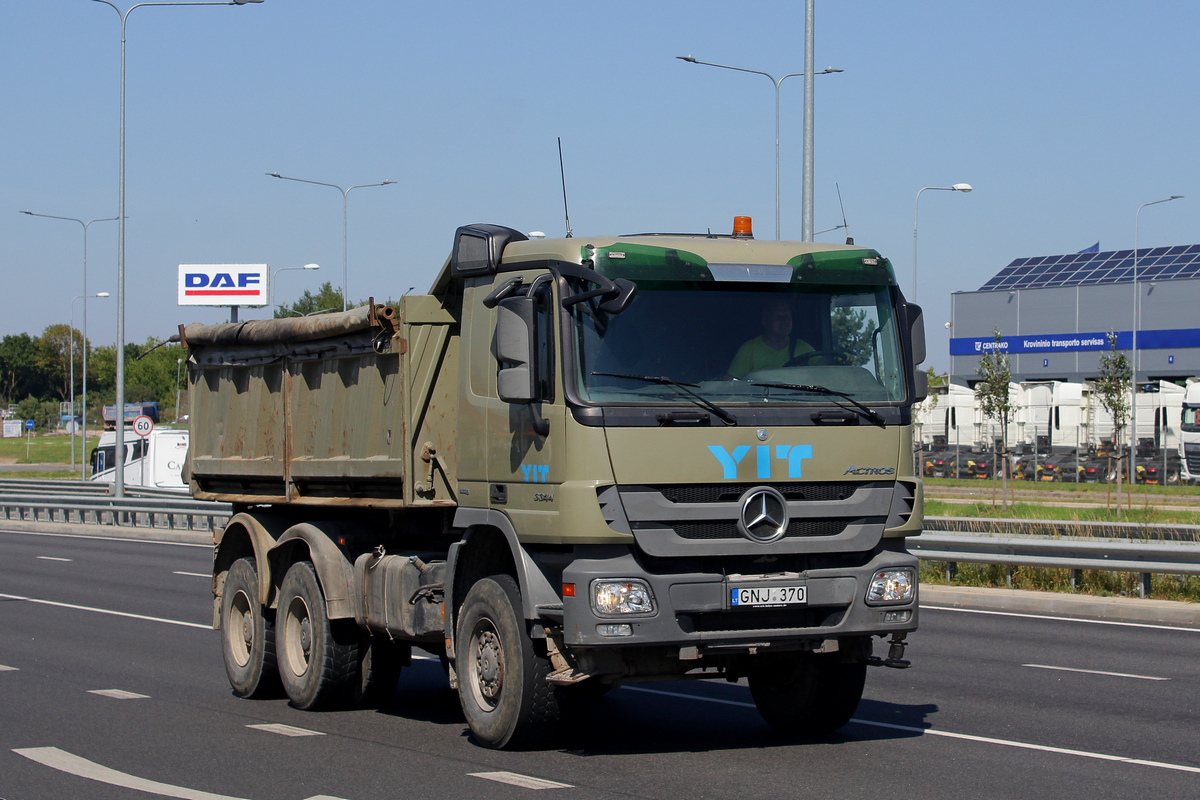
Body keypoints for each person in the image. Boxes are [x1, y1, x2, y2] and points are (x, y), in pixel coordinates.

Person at [726, 297, 817, 378]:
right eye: (779, 318)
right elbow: (730, 384)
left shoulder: (802, 347)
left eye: (787, 317)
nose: (785, 321)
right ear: (765, 322)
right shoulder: (749, 350)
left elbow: (825, 367)